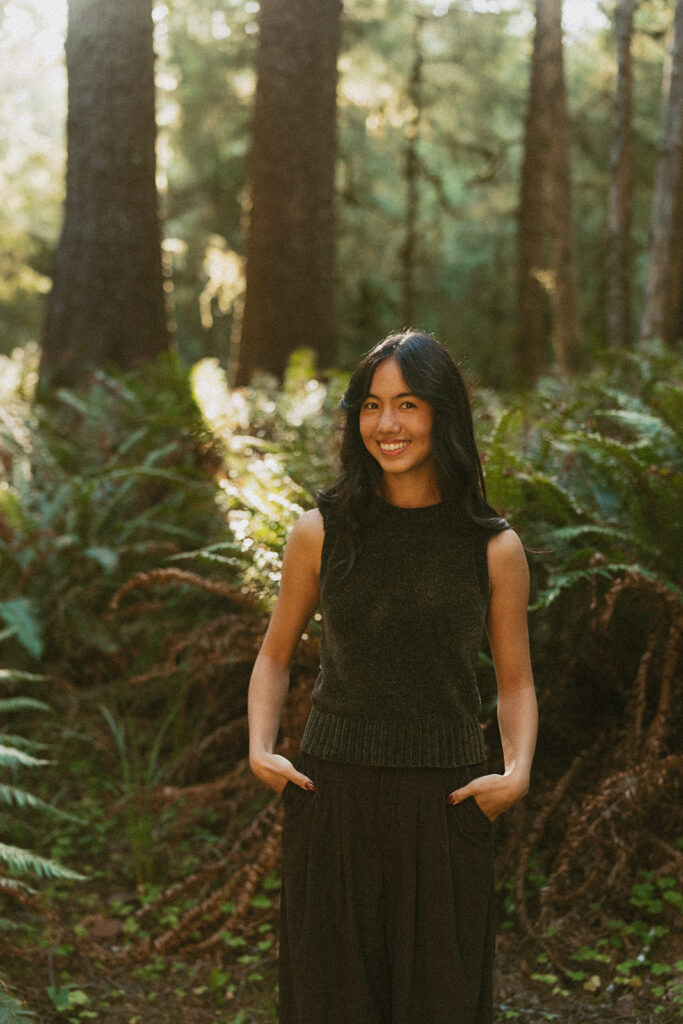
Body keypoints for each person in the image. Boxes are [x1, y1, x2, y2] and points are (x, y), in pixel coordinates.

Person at [248, 330, 538, 1024]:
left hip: (446, 805)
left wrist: (517, 772)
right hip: (332, 799)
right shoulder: (319, 532)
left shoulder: (493, 547)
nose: (387, 424)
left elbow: (516, 682)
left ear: (442, 412)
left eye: (407, 403)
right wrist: (259, 750)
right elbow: (275, 655)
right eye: (372, 405)